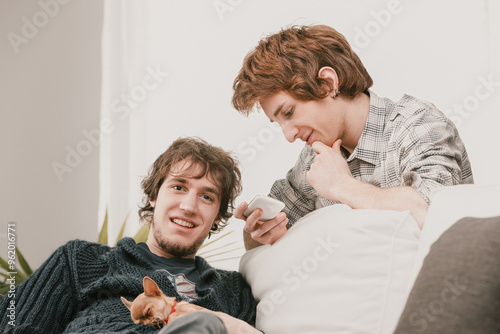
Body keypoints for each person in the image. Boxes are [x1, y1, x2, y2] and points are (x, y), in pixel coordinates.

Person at [231, 24, 474, 250]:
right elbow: (261, 238)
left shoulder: (417, 123)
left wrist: (341, 185)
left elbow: (435, 216)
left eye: (289, 112)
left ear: (327, 84)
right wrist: (259, 231)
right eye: (279, 123)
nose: (289, 135)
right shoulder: (312, 158)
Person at [0, 137, 259, 334]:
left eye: (206, 196)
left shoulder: (234, 291)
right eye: (178, 187)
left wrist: (259, 250)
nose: (189, 206)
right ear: (154, 196)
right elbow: (15, 326)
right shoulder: (81, 261)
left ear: (217, 216)